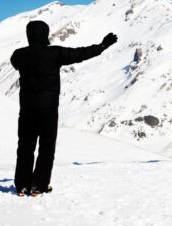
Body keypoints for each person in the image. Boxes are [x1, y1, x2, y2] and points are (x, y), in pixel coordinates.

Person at [10, 20, 117, 197]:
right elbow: (82, 53)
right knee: (46, 147)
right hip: (48, 109)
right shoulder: (55, 53)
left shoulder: (19, 55)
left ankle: (22, 185)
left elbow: (16, 64)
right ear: (45, 34)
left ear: (29, 34)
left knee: (25, 147)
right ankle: (39, 185)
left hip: (27, 109)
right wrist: (103, 45)